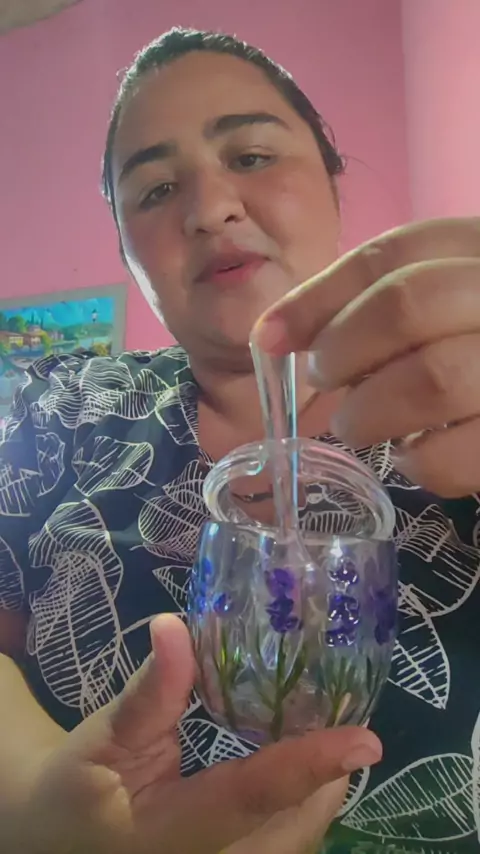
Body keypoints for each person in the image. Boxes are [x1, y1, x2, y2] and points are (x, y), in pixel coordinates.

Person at [0, 25, 479, 854]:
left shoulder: (458, 406)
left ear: (332, 178)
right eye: (155, 190)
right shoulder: (58, 415)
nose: (209, 209)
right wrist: (27, 801)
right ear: (126, 247)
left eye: (252, 156)